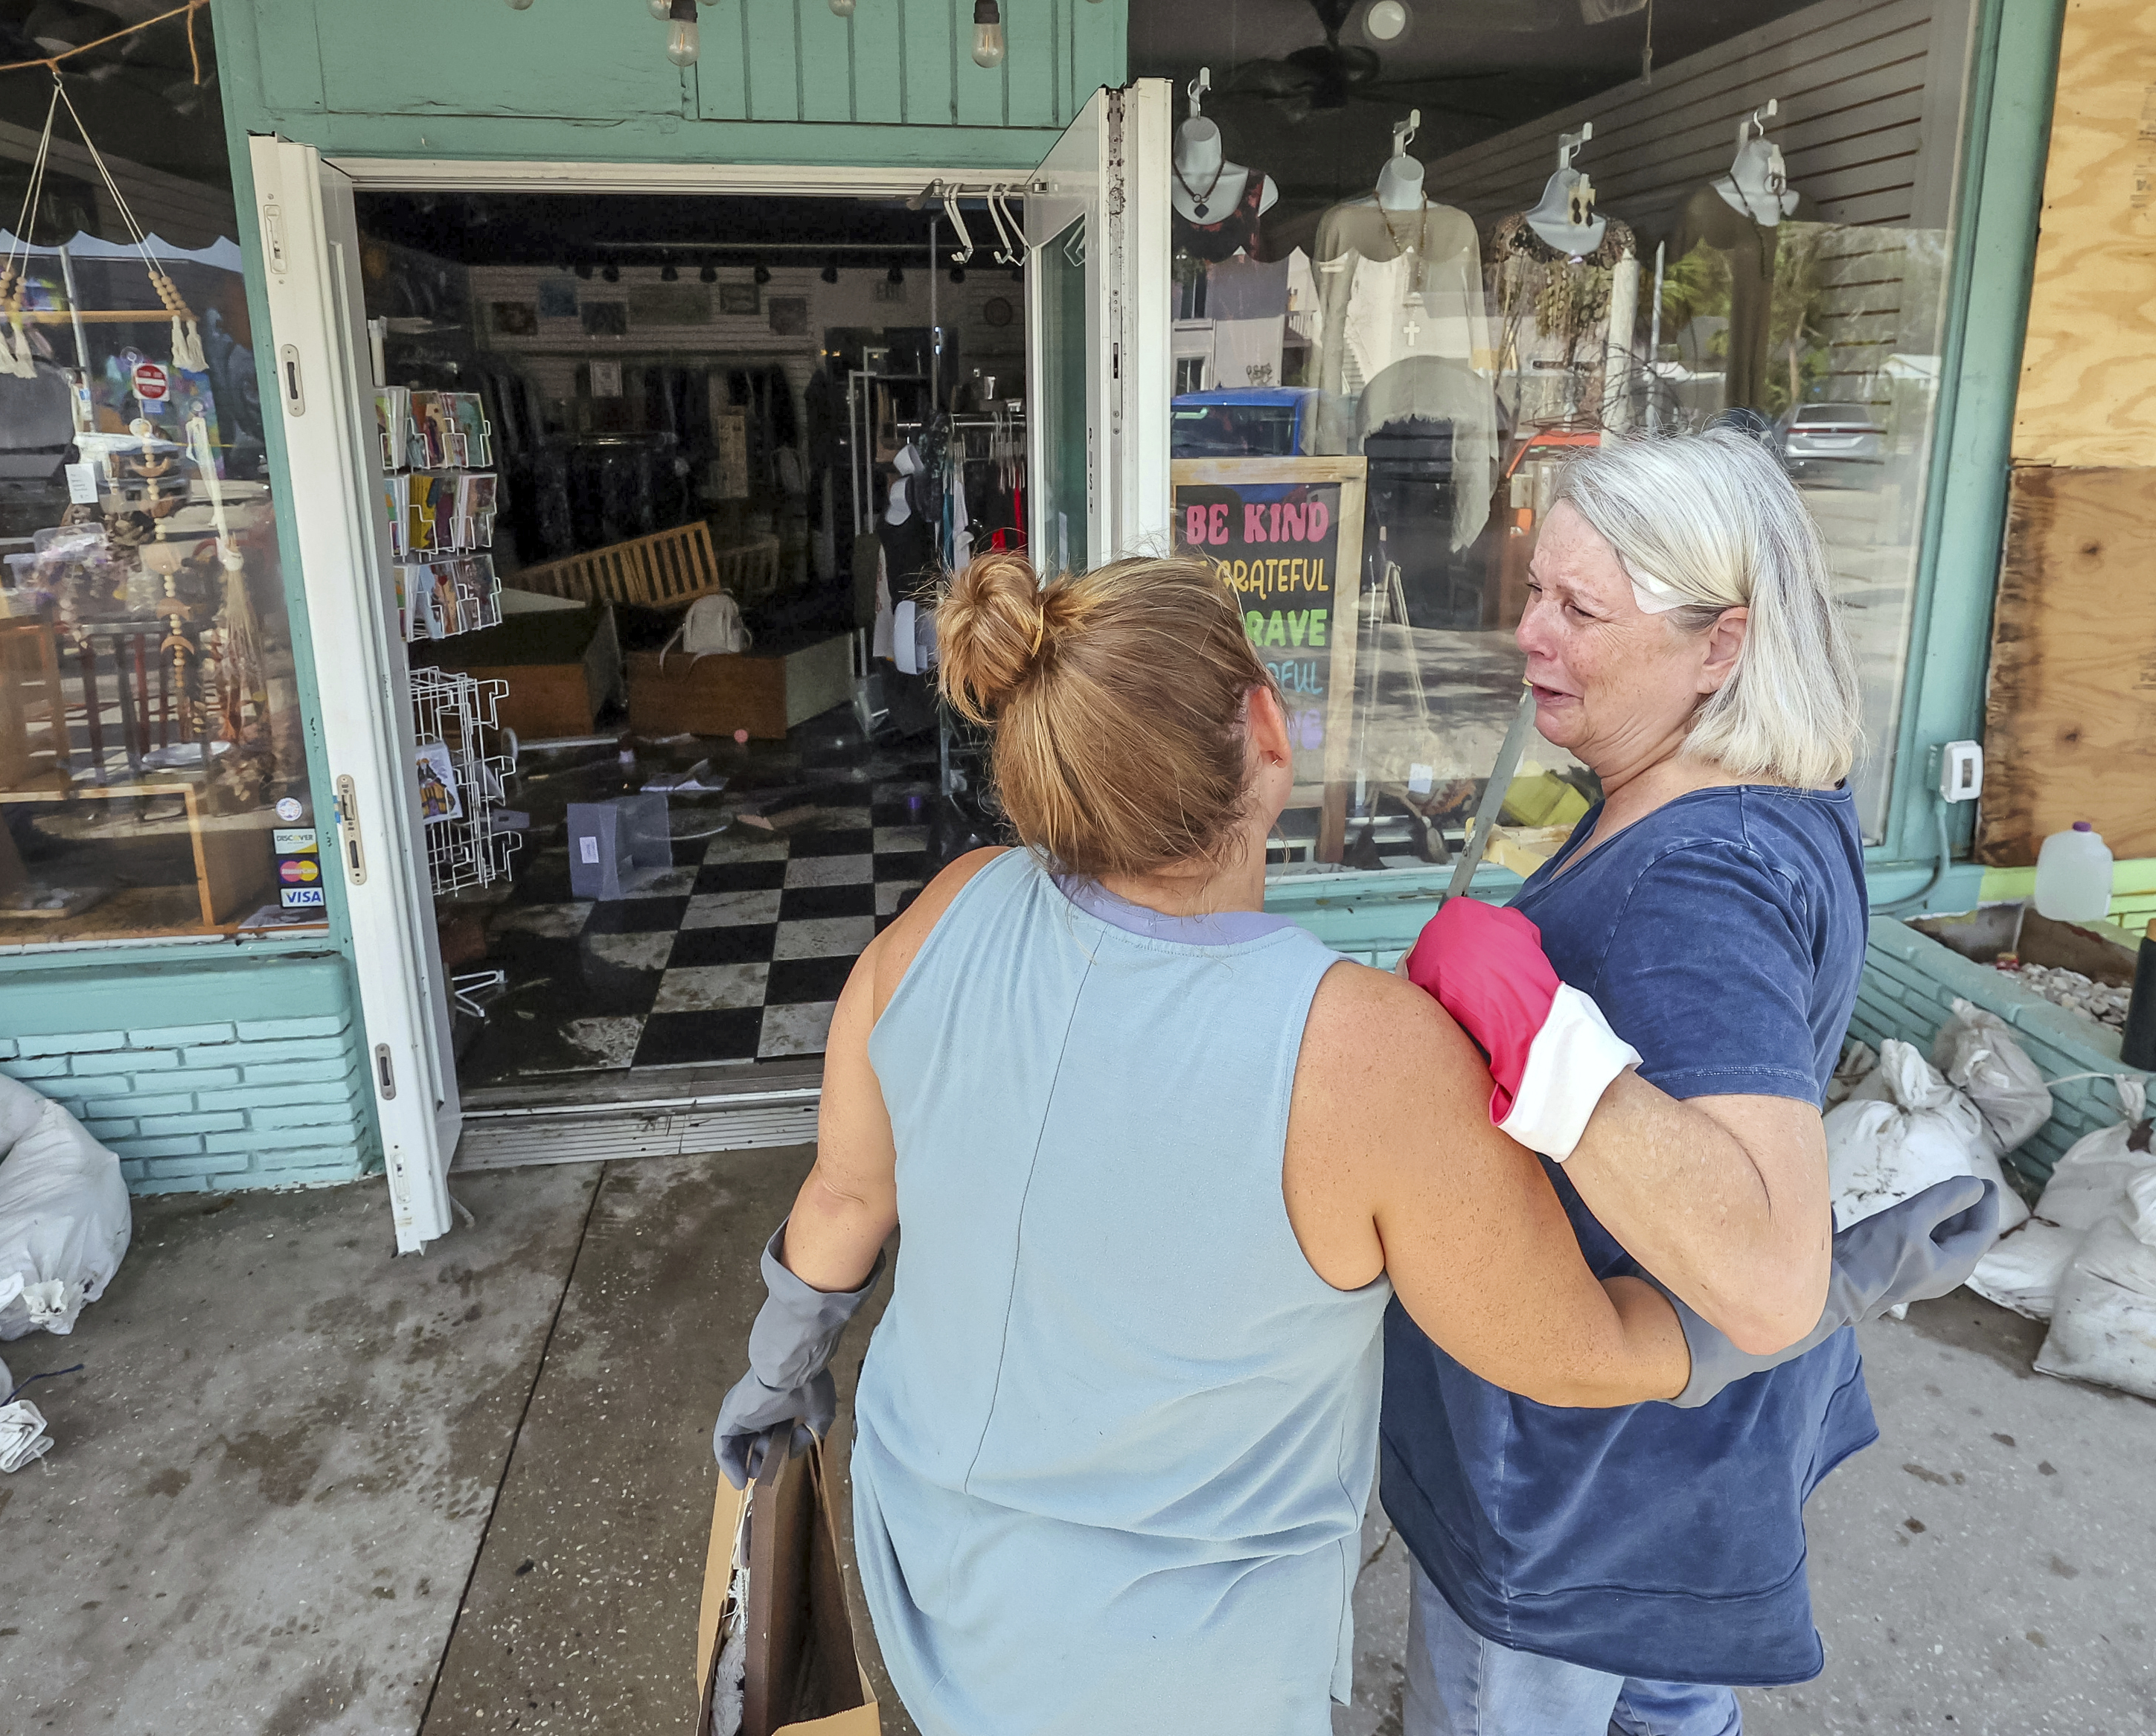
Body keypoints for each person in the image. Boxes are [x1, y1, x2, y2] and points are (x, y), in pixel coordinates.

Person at [706, 547, 1704, 1736]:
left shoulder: (948, 909)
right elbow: (1578, 1353)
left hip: (926, 1575)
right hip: (1175, 1677)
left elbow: (839, 1205)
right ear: (1267, 730)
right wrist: (1787, 1299)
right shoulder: (1372, 1057)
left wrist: (775, 1374)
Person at [1385, 429, 1995, 1735]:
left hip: (1572, 1505)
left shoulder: (1694, 879)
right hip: (1686, 1488)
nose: (1531, 636)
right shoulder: (1765, 797)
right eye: (1534, 591)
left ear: (1720, 644)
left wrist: (1543, 1042)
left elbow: (1770, 1280)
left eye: (1580, 610)